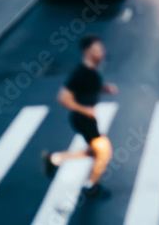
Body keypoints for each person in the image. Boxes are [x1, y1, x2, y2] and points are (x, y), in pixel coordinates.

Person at [42, 36, 118, 199]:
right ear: (87, 51)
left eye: (101, 48)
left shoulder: (91, 71)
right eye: (98, 49)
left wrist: (105, 89)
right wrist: (84, 110)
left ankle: (54, 159)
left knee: (93, 152)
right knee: (104, 152)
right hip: (83, 120)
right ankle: (90, 187)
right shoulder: (80, 73)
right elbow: (62, 98)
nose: (102, 52)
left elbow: (89, 88)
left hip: (87, 119)